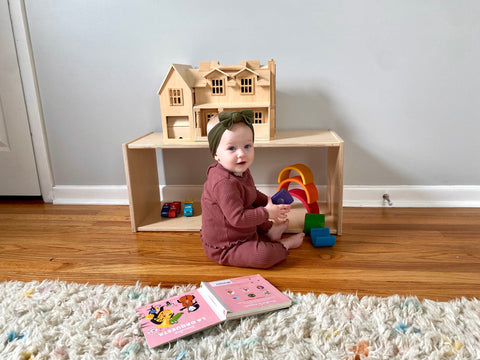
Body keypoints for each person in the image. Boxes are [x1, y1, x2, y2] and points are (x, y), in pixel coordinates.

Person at [200, 110, 304, 269]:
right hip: (227, 246)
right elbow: (238, 219)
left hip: (242, 231)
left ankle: (269, 232)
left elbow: (252, 194)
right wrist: (268, 213)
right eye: (232, 148)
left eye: (247, 146)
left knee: (252, 204)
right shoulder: (224, 183)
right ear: (216, 154)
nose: (242, 154)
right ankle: (285, 245)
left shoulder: (240, 171)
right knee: (264, 256)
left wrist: (270, 203)